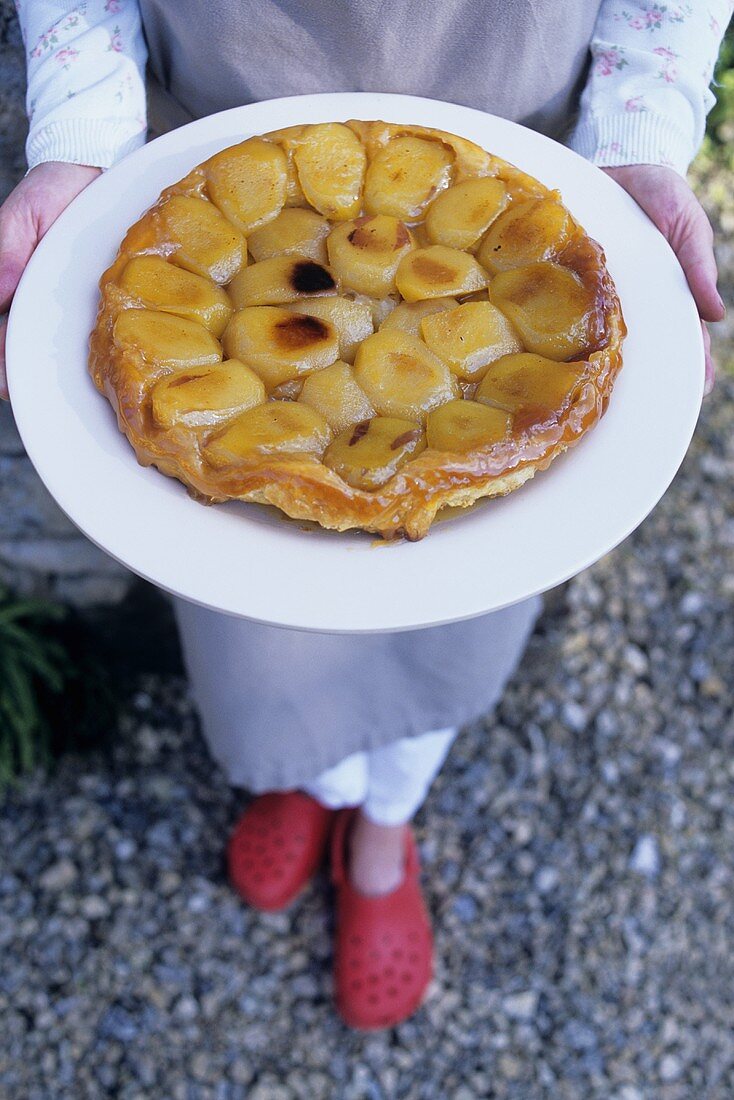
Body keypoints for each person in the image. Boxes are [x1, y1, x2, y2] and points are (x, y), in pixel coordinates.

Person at [1, 0, 730, 1031]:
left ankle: (386, 816)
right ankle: (306, 773)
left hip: (523, 185)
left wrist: (634, 135)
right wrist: (84, 136)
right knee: (250, 608)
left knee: (460, 613)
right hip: (211, 149)